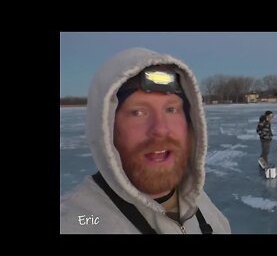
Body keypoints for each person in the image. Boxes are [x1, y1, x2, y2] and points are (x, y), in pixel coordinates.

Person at [60, 47, 231, 234]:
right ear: (107, 128)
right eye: (138, 112)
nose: (160, 129)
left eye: (171, 110)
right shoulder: (76, 221)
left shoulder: (200, 204)